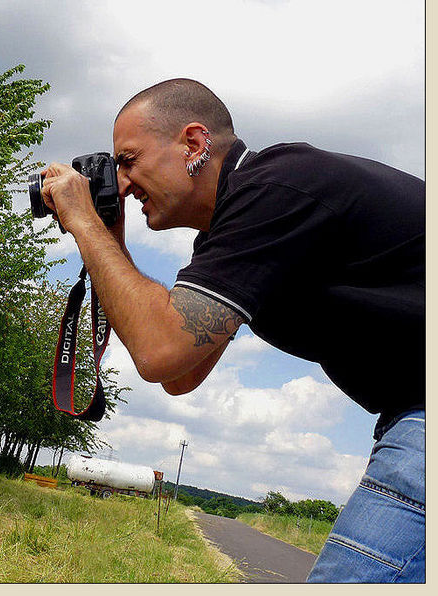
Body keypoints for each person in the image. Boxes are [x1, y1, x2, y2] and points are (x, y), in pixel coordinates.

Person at [39, 78, 424, 583]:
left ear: (194, 144)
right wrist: (109, 234)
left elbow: (161, 352)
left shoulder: (277, 186)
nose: (123, 183)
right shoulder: (235, 229)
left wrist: (84, 222)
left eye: (128, 160)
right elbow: (180, 376)